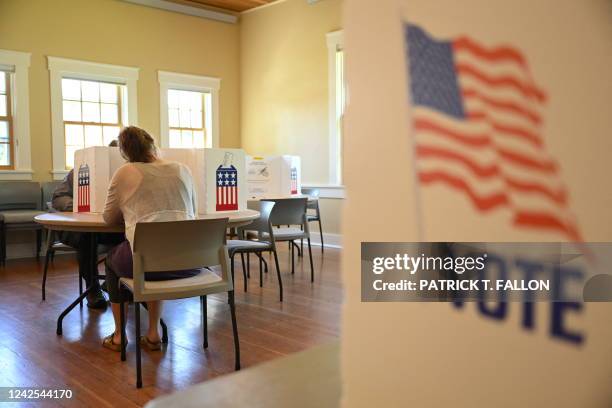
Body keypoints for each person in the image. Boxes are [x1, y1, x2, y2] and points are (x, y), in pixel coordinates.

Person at [102, 126, 199, 352]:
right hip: (189, 261)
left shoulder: (125, 172)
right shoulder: (183, 169)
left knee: (114, 260)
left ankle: (118, 336)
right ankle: (153, 333)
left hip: (146, 262)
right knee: (155, 254)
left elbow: (108, 218)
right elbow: (193, 210)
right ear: (152, 144)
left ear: (125, 153)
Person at [51, 140, 123, 309]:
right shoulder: (80, 171)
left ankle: (117, 281)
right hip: (78, 228)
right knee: (87, 236)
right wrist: (81, 207)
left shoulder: (128, 174)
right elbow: (58, 198)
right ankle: (92, 288)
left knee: (134, 233)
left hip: (110, 227)